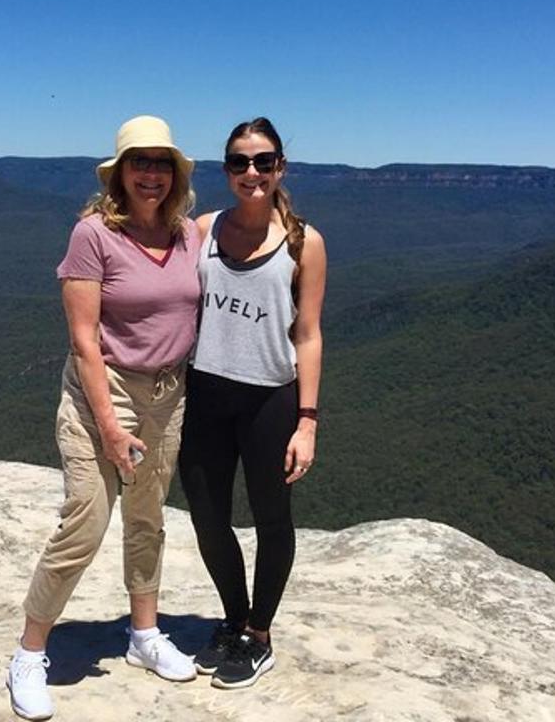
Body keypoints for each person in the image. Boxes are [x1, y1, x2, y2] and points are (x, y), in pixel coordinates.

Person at [6, 115, 202, 720]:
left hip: (169, 395)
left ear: (176, 173)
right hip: (105, 395)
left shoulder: (190, 234)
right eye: (139, 163)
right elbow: (84, 341)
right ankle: (29, 652)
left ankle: (144, 635)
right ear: (119, 173)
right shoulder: (92, 234)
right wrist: (112, 428)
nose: (151, 174)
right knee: (85, 524)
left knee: (148, 519)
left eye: (161, 162)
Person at [178, 117, 326, 689]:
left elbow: (309, 333)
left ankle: (259, 636)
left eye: (263, 161)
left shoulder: (303, 242)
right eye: (240, 162)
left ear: (280, 167)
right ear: (226, 170)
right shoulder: (204, 229)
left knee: (271, 519)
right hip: (207, 392)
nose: (251, 172)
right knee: (209, 519)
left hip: (271, 398)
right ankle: (234, 619)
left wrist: (307, 421)